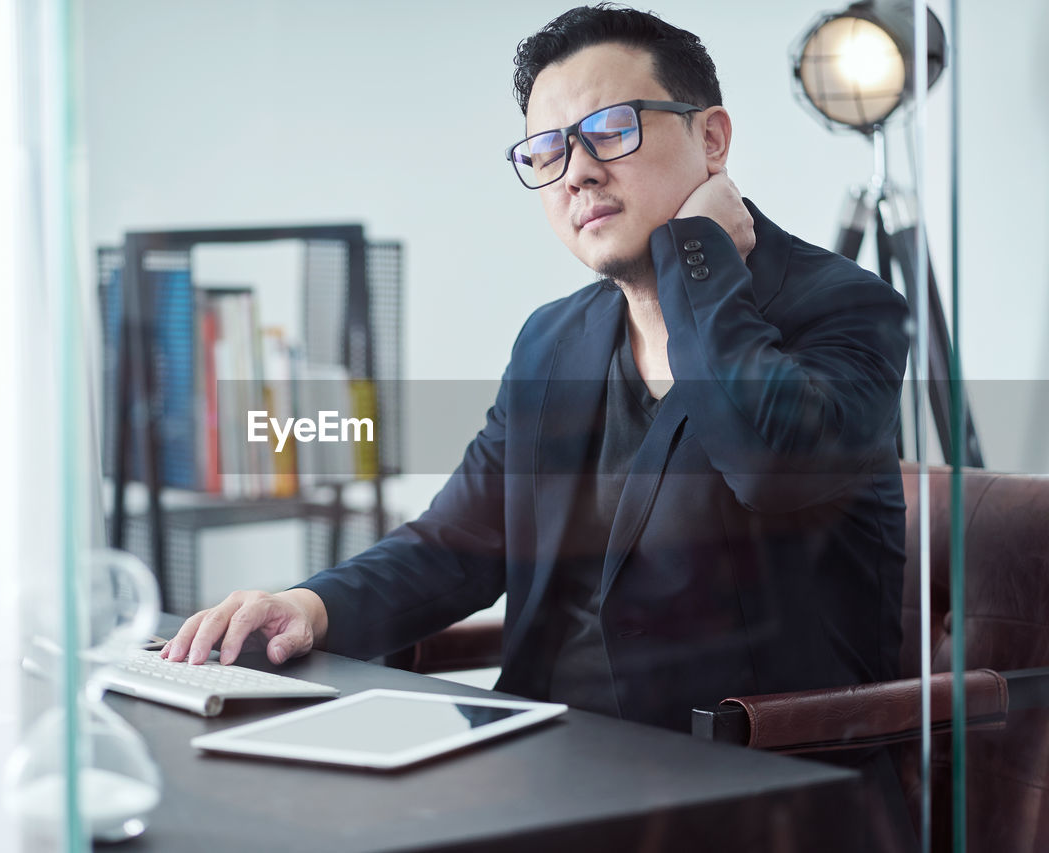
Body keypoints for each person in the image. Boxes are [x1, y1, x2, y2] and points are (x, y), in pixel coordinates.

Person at [165, 5, 913, 848]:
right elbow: (456, 544)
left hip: (755, 794)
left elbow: (769, 461)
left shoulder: (848, 309)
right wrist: (306, 602)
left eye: (609, 130)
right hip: (548, 775)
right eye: (548, 150)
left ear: (713, 140)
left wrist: (699, 257)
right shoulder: (553, 340)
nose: (577, 173)